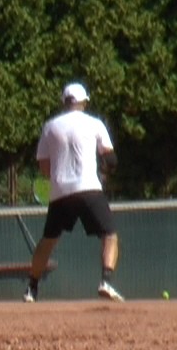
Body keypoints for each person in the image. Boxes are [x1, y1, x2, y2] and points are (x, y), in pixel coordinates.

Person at [27, 82, 122, 303]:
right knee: (110, 235)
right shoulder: (94, 123)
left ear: (64, 102)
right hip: (88, 187)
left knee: (48, 240)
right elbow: (111, 159)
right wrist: (104, 173)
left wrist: (56, 180)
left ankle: (31, 289)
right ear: (84, 101)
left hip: (60, 190)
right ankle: (106, 281)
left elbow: (44, 165)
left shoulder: (50, 126)